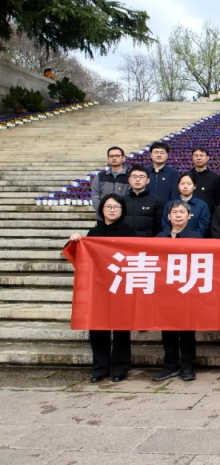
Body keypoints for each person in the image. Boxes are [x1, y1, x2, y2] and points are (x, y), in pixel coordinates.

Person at [69, 194, 135, 383]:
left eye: (116, 207)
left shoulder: (129, 232)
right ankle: (100, 368)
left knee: (121, 330)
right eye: (108, 206)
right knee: (97, 329)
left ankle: (120, 368)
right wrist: (75, 241)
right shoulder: (93, 233)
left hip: (121, 286)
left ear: (122, 210)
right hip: (98, 288)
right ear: (102, 209)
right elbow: (80, 257)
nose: (112, 209)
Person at [153, 201, 203, 382]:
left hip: (187, 291)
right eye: (174, 212)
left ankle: (187, 365)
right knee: (167, 330)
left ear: (189, 216)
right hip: (165, 292)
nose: (178, 215)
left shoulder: (196, 239)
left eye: (182, 212)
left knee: (187, 331)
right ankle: (170, 365)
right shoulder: (159, 238)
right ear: (168, 216)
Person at [122, 164, 164, 237]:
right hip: (125, 241)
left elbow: (159, 227)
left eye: (141, 177)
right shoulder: (122, 201)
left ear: (147, 180)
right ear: (129, 180)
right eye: (134, 177)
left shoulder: (156, 202)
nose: (137, 179)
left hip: (147, 243)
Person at [91, 146, 130, 220]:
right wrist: (104, 211)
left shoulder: (129, 177)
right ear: (108, 159)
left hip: (123, 219)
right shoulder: (100, 176)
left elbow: (130, 198)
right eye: (111, 156)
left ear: (123, 158)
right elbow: (95, 196)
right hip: (103, 219)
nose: (114, 158)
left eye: (117, 156)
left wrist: (119, 212)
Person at [189, 148, 220, 216]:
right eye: (196, 155)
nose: (198, 158)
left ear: (207, 158)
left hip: (208, 215)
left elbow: (218, 200)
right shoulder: (187, 177)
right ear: (192, 158)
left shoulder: (215, 177)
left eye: (201, 155)